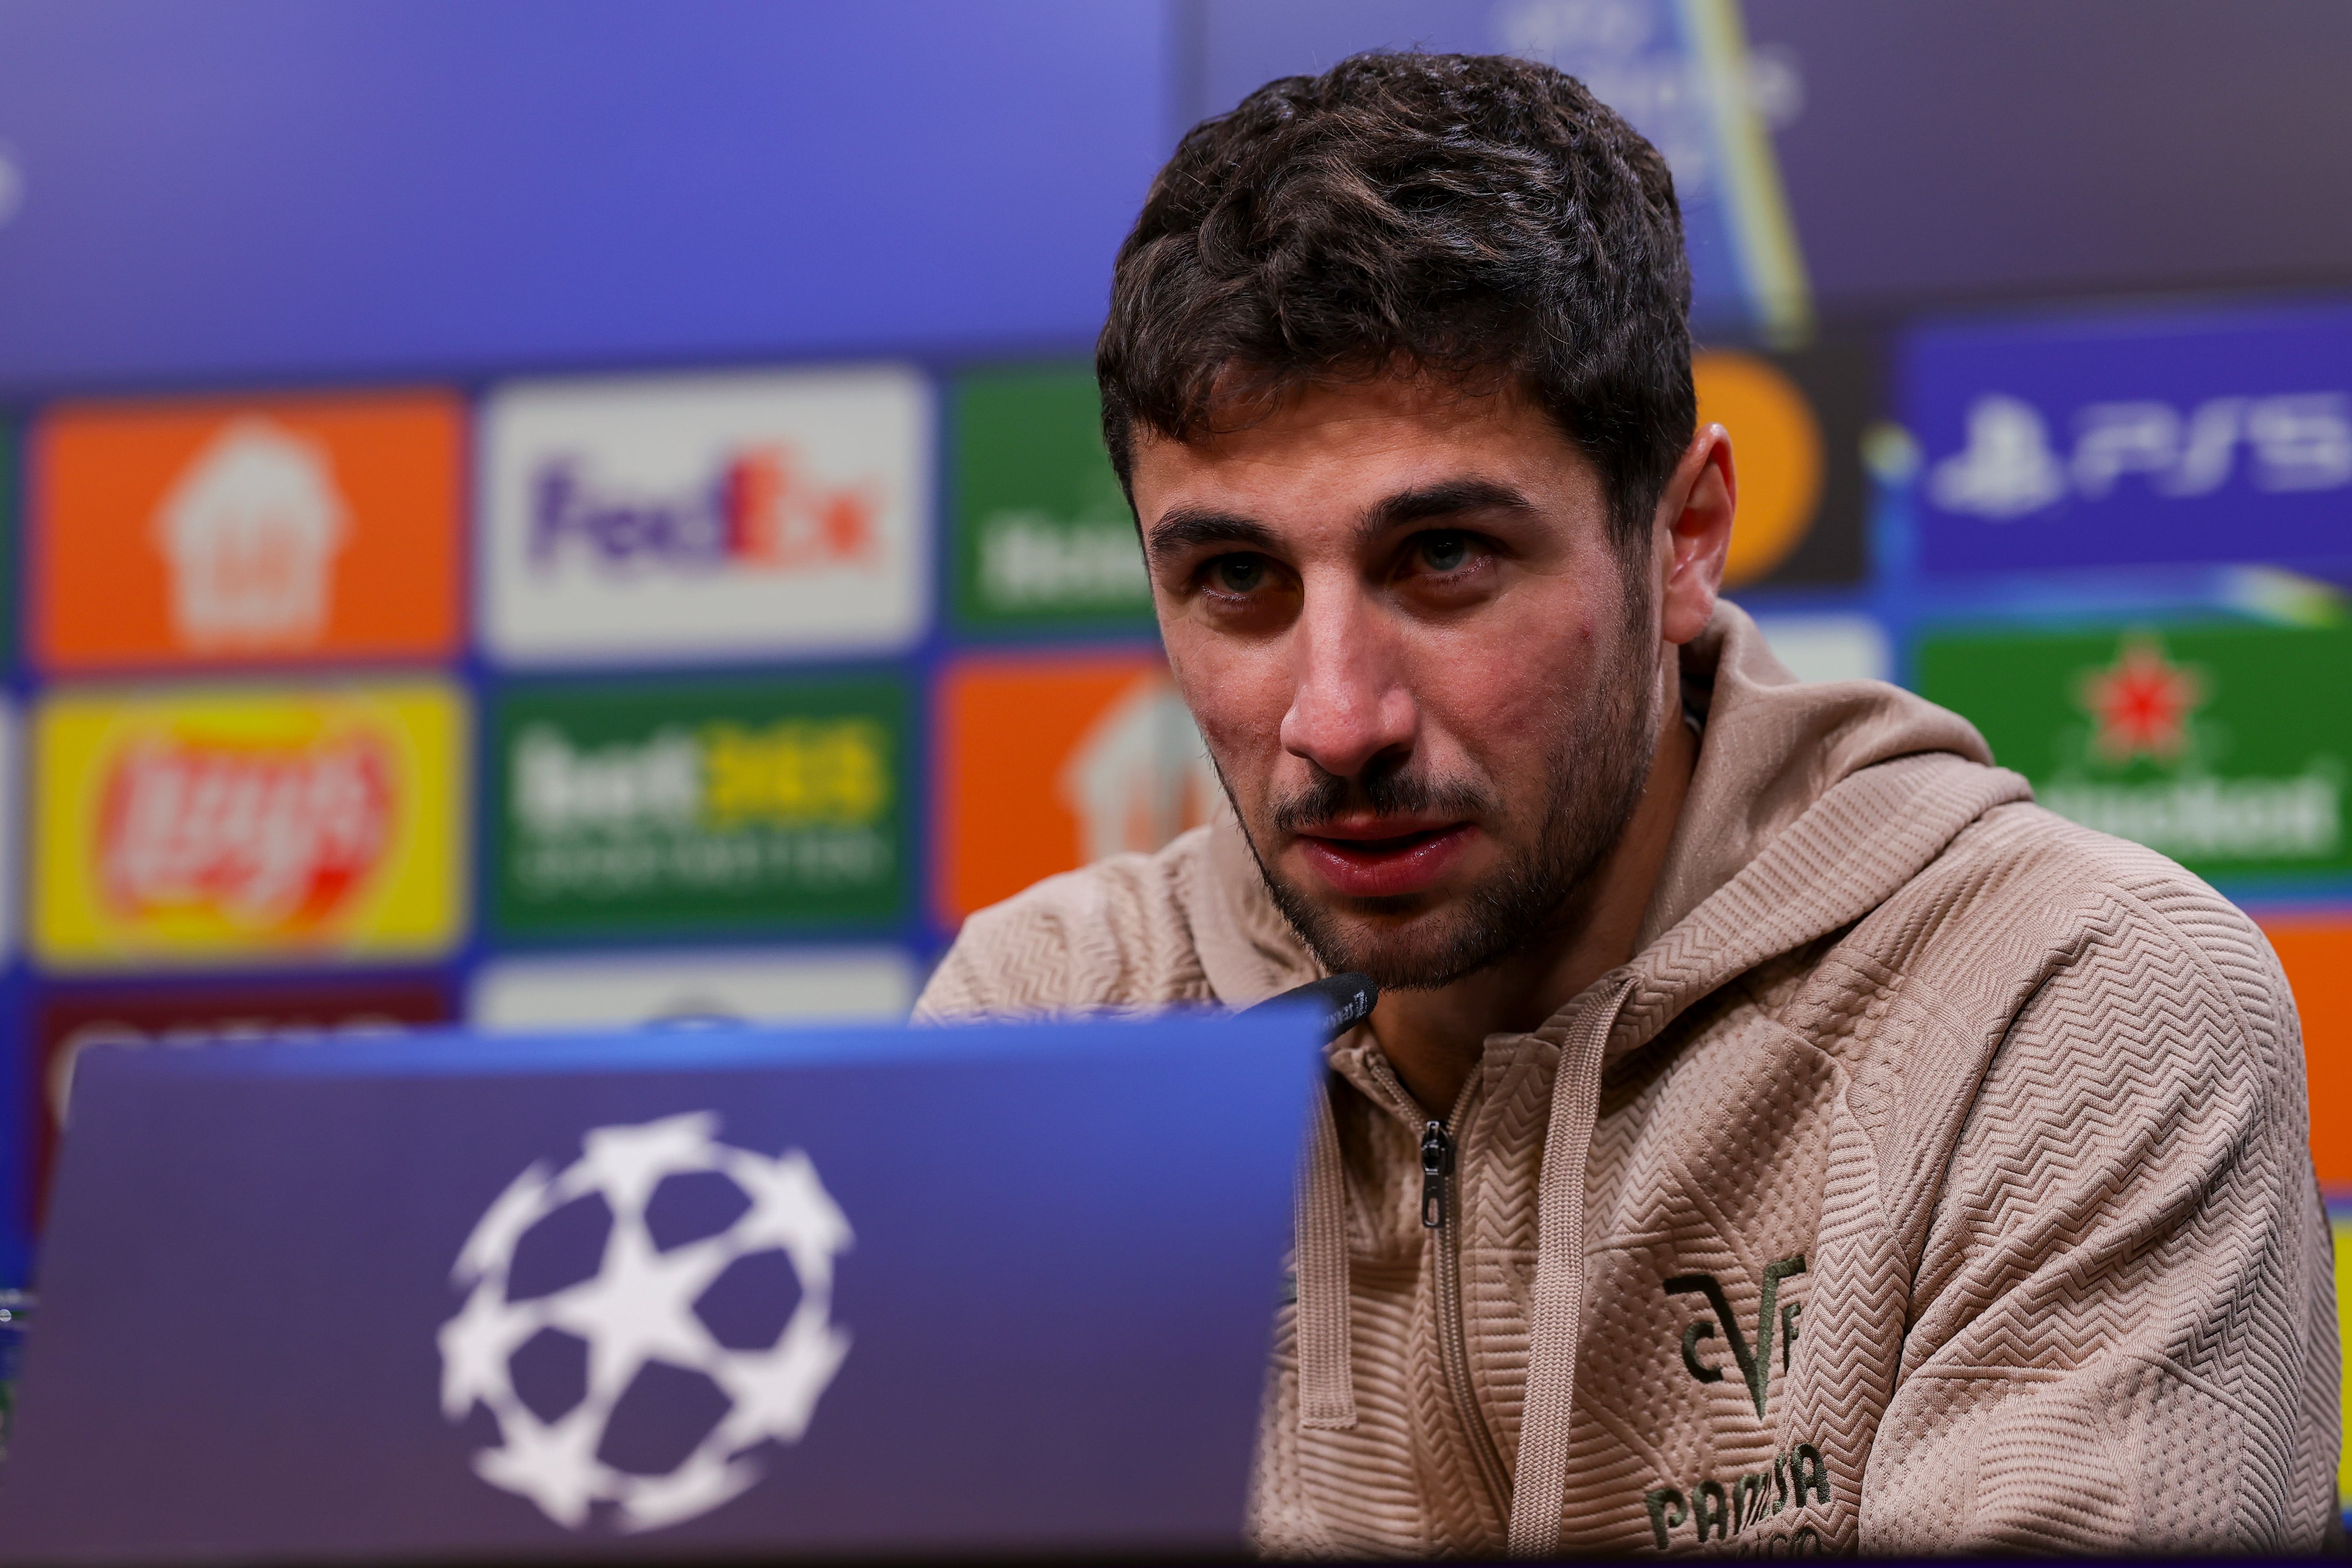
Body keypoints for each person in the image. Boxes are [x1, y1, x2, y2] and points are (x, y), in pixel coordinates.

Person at [917, 52, 2339, 1557]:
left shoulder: (2072, 1010)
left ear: (1684, 534)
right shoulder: (1054, 1028)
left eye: (1445, 557)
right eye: (1237, 582)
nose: (1335, 721)